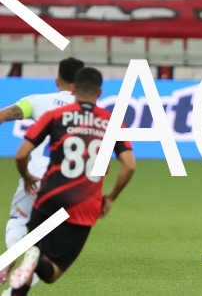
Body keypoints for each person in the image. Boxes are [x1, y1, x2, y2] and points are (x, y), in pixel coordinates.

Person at [7, 67, 136, 296]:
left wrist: (27, 177)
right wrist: (111, 197)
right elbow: (129, 164)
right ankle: (34, 261)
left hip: (46, 197)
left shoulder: (54, 116)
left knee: (33, 254)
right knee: (53, 271)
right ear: (100, 93)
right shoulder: (112, 123)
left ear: (73, 89)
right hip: (83, 204)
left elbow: (20, 154)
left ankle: (30, 263)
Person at [0, 57, 84, 289]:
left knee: (19, 220)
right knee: (53, 232)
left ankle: (6, 262)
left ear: (57, 80)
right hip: (71, 180)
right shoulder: (91, 112)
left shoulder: (39, 101)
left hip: (36, 175)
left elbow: (4, 115)